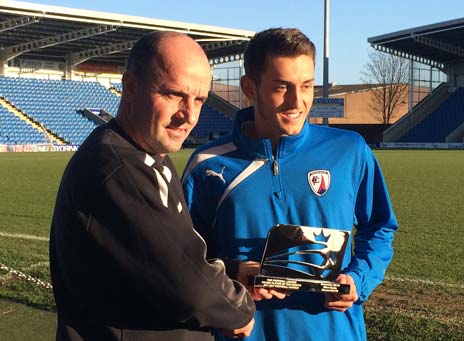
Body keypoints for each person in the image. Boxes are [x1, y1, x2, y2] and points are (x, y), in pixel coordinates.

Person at [182, 28, 398, 341]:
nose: (297, 101)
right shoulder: (208, 165)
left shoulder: (349, 151)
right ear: (249, 88)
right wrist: (231, 271)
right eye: (282, 87)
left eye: (307, 86)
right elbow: (182, 257)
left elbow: (379, 227)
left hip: (334, 331)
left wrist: (358, 278)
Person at [49, 31, 255, 341]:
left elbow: (166, 255)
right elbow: (190, 287)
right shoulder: (119, 167)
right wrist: (239, 308)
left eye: (199, 99)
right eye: (174, 94)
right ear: (130, 86)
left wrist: (232, 271)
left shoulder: (150, 156)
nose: (188, 115)